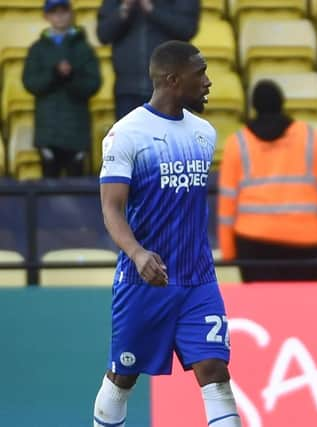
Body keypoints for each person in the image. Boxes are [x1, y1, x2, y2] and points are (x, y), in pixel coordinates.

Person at [94, 40, 241, 427]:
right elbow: (111, 209)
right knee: (123, 377)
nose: (208, 82)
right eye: (201, 73)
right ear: (173, 80)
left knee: (215, 372)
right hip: (144, 282)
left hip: (197, 279)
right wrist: (138, 254)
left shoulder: (204, 133)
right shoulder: (126, 135)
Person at [218, 80, 317, 282]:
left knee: (262, 310)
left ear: (253, 106)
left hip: (253, 246)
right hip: (307, 245)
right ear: (282, 102)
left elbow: (227, 205)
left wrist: (229, 252)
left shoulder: (237, 143)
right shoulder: (310, 137)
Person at [22, 0, 101, 178]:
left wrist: (71, 76)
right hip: (47, 133)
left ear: (71, 14)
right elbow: (30, 83)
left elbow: (93, 84)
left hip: (77, 132)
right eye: (54, 11)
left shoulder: (84, 49)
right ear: (46, 16)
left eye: (63, 11)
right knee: (48, 191)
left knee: (77, 188)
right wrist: (54, 74)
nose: (59, 16)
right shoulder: (37, 49)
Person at [97, 0, 200, 119]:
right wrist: (125, 8)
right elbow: (103, 34)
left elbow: (187, 28)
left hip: (172, 89)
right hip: (129, 90)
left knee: (174, 136)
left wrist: (152, 10)